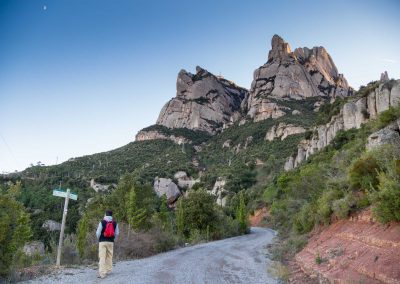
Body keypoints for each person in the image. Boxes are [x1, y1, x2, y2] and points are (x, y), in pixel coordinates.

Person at [96, 210, 119, 279]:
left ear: (105, 214)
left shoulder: (102, 222)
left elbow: (98, 232)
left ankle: (102, 273)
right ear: (112, 215)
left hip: (102, 241)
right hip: (111, 242)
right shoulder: (115, 223)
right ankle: (108, 270)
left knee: (102, 257)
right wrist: (113, 239)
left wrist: (99, 238)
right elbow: (117, 233)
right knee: (109, 256)